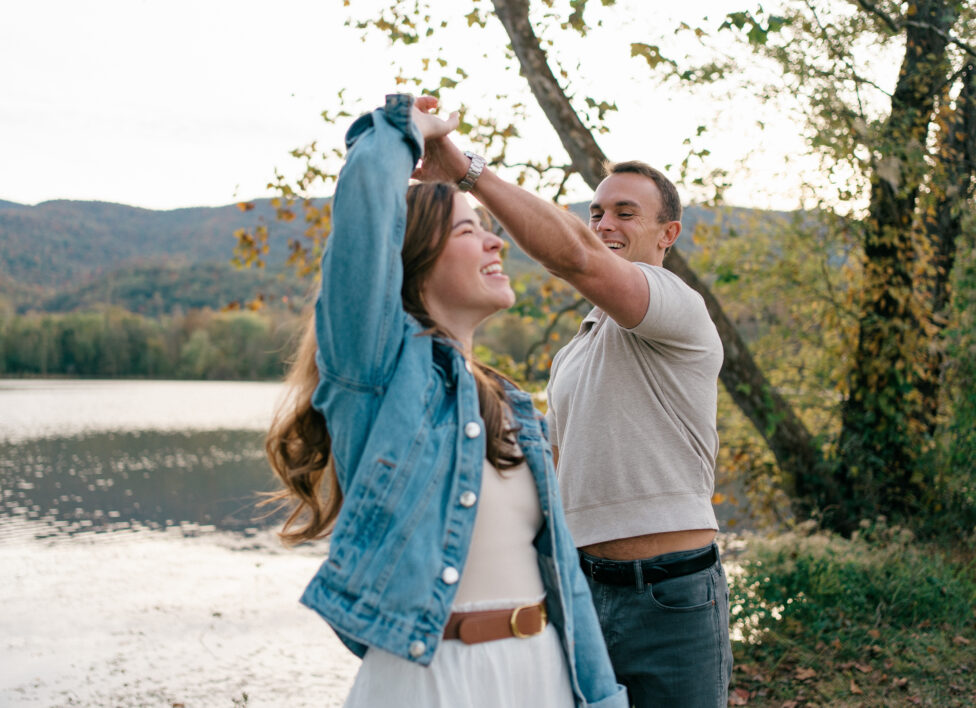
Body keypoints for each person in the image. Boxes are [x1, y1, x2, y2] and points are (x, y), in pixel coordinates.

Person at [265, 93, 627, 708]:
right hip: (431, 682)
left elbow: (565, 581)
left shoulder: (511, 406)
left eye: (490, 231)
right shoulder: (377, 370)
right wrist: (401, 127)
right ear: (415, 258)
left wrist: (600, 698)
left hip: (540, 674)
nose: (495, 245)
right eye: (469, 229)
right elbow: (360, 228)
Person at [416, 129, 732, 706]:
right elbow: (550, 479)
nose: (604, 223)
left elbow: (576, 259)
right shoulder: (575, 352)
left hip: (672, 593)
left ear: (668, 235)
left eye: (625, 212)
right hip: (582, 593)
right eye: (596, 212)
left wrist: (469, 175)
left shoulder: (678, 307)